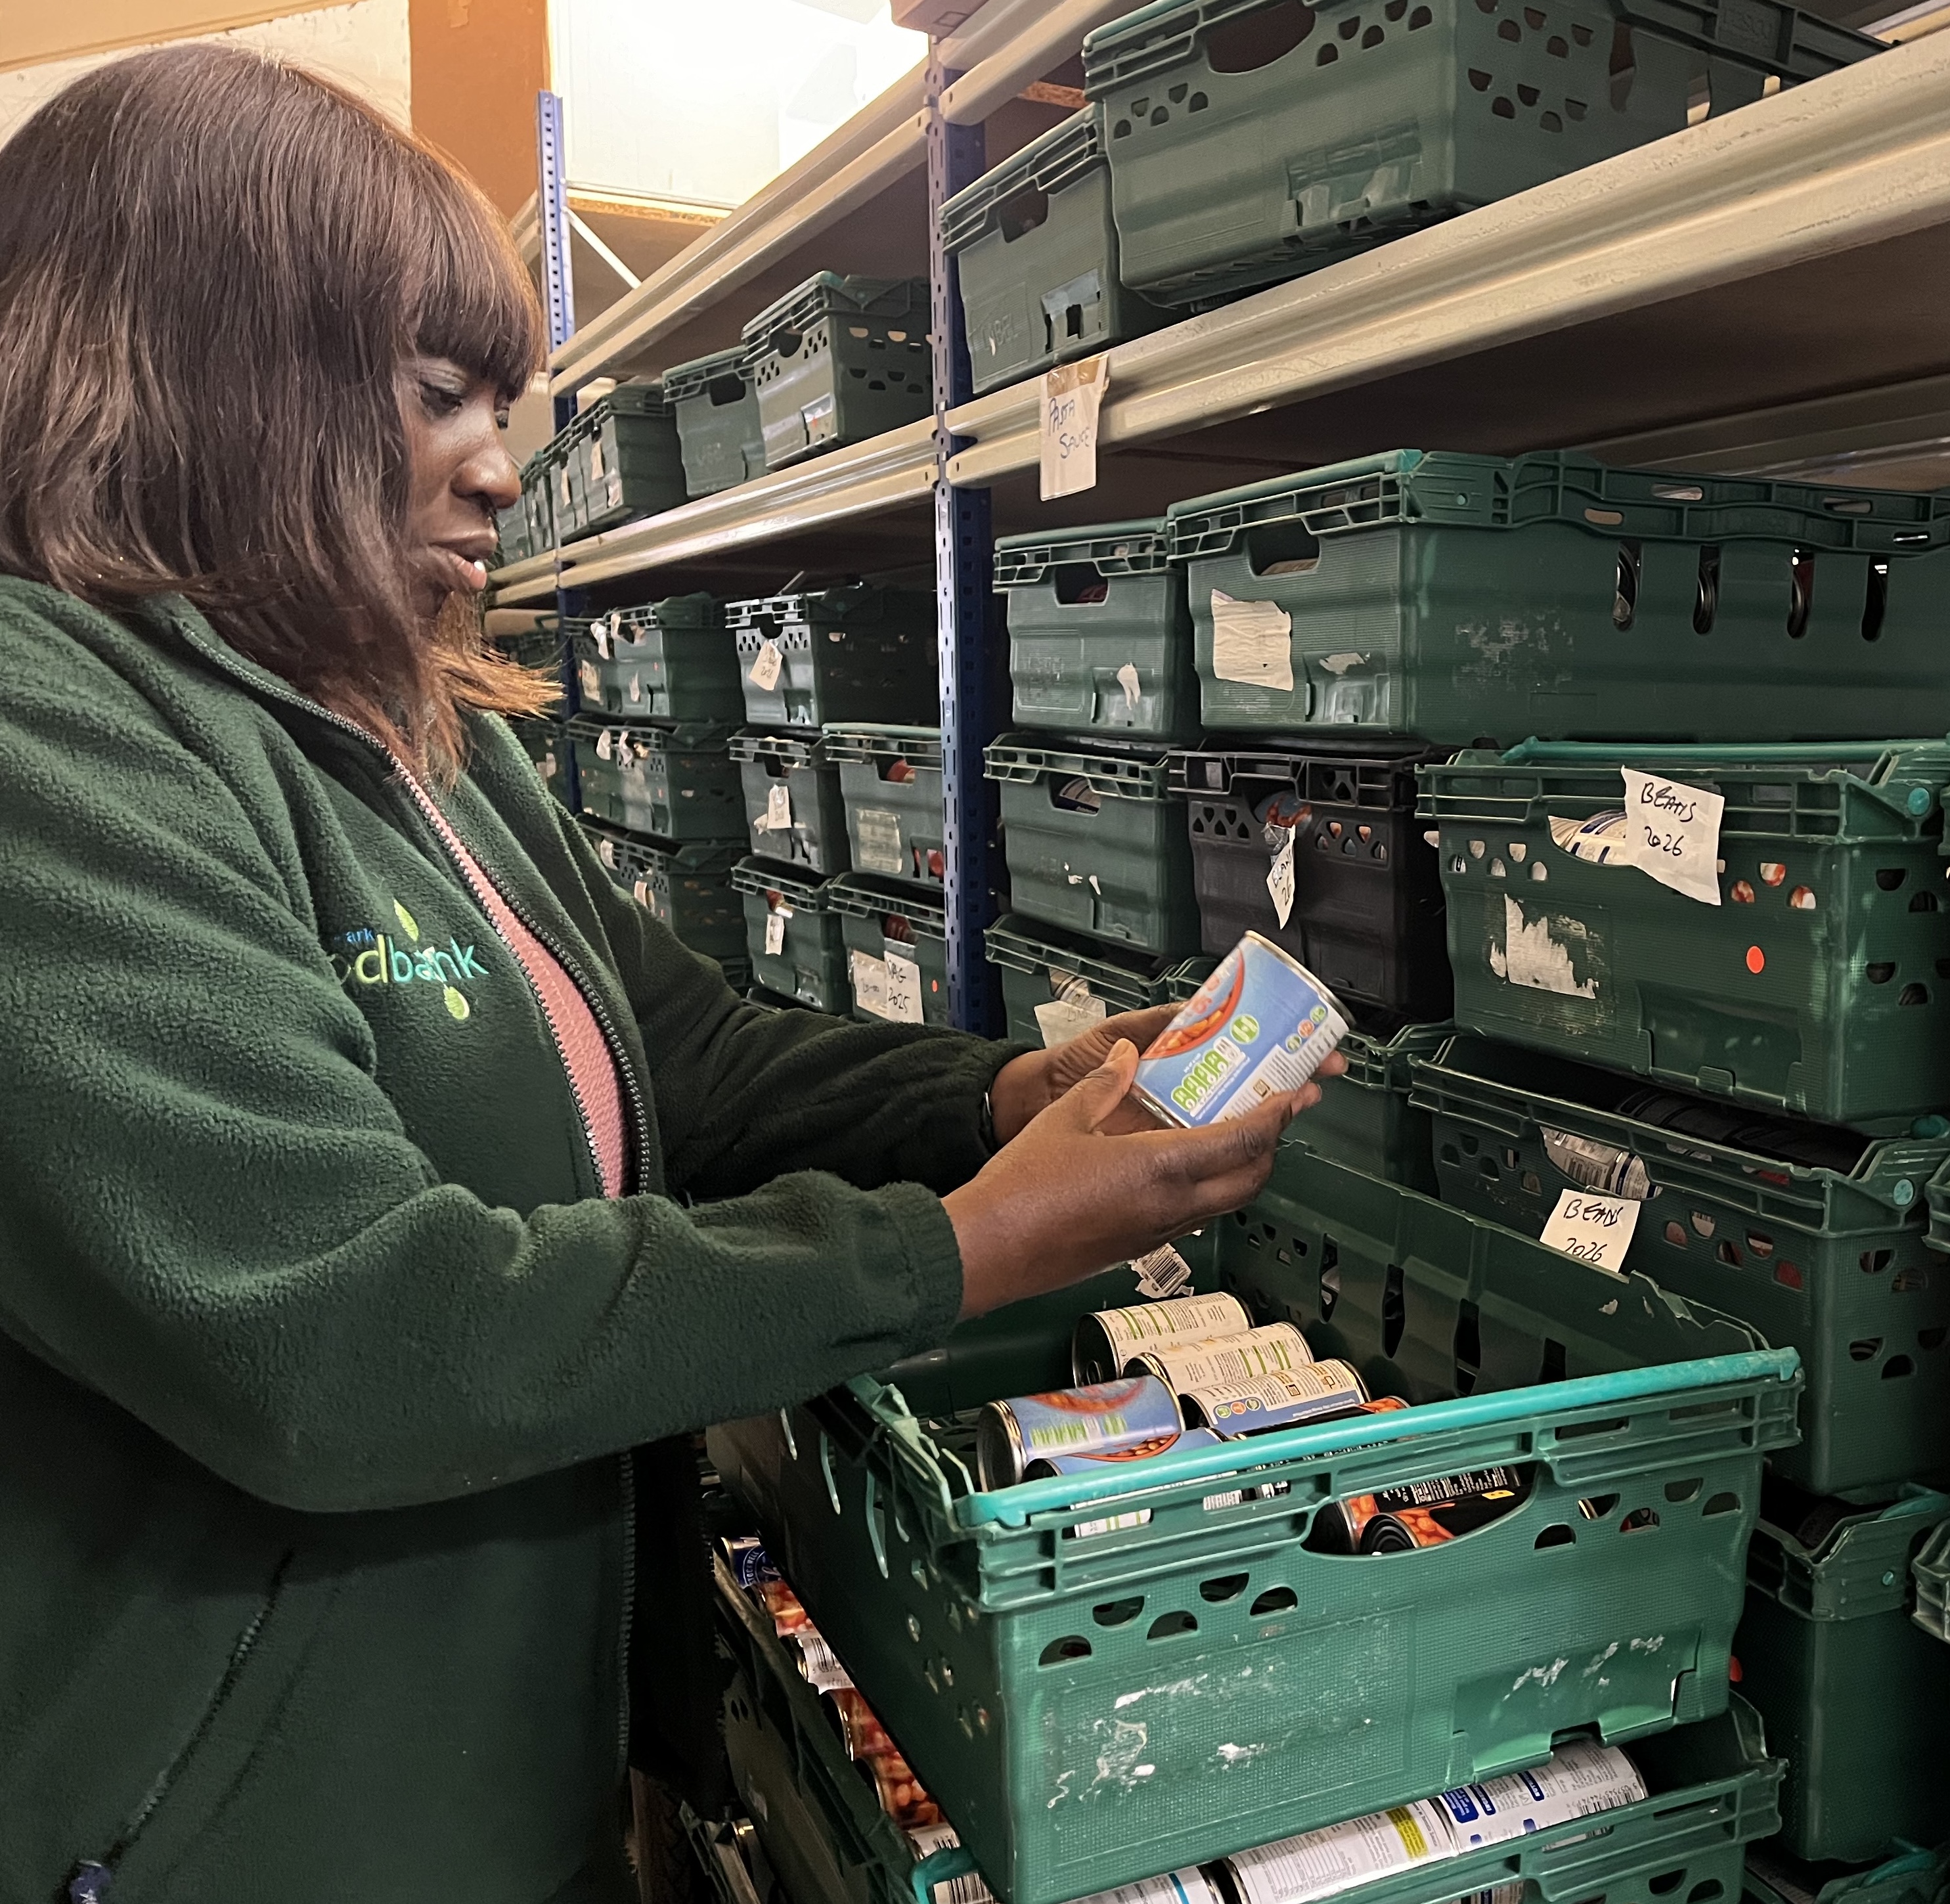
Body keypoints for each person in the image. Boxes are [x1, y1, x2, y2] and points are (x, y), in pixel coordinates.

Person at [0, 44, 1333, 1904]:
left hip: (510, 1770)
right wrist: (957, 1248)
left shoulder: (419, 740)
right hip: (240, 1842)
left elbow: (671, 1056)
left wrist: (986, 1103)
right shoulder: (48, 736)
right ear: (219, 361)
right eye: (441, 391)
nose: (504, 458)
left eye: (513, 400)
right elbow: (346, 1330)